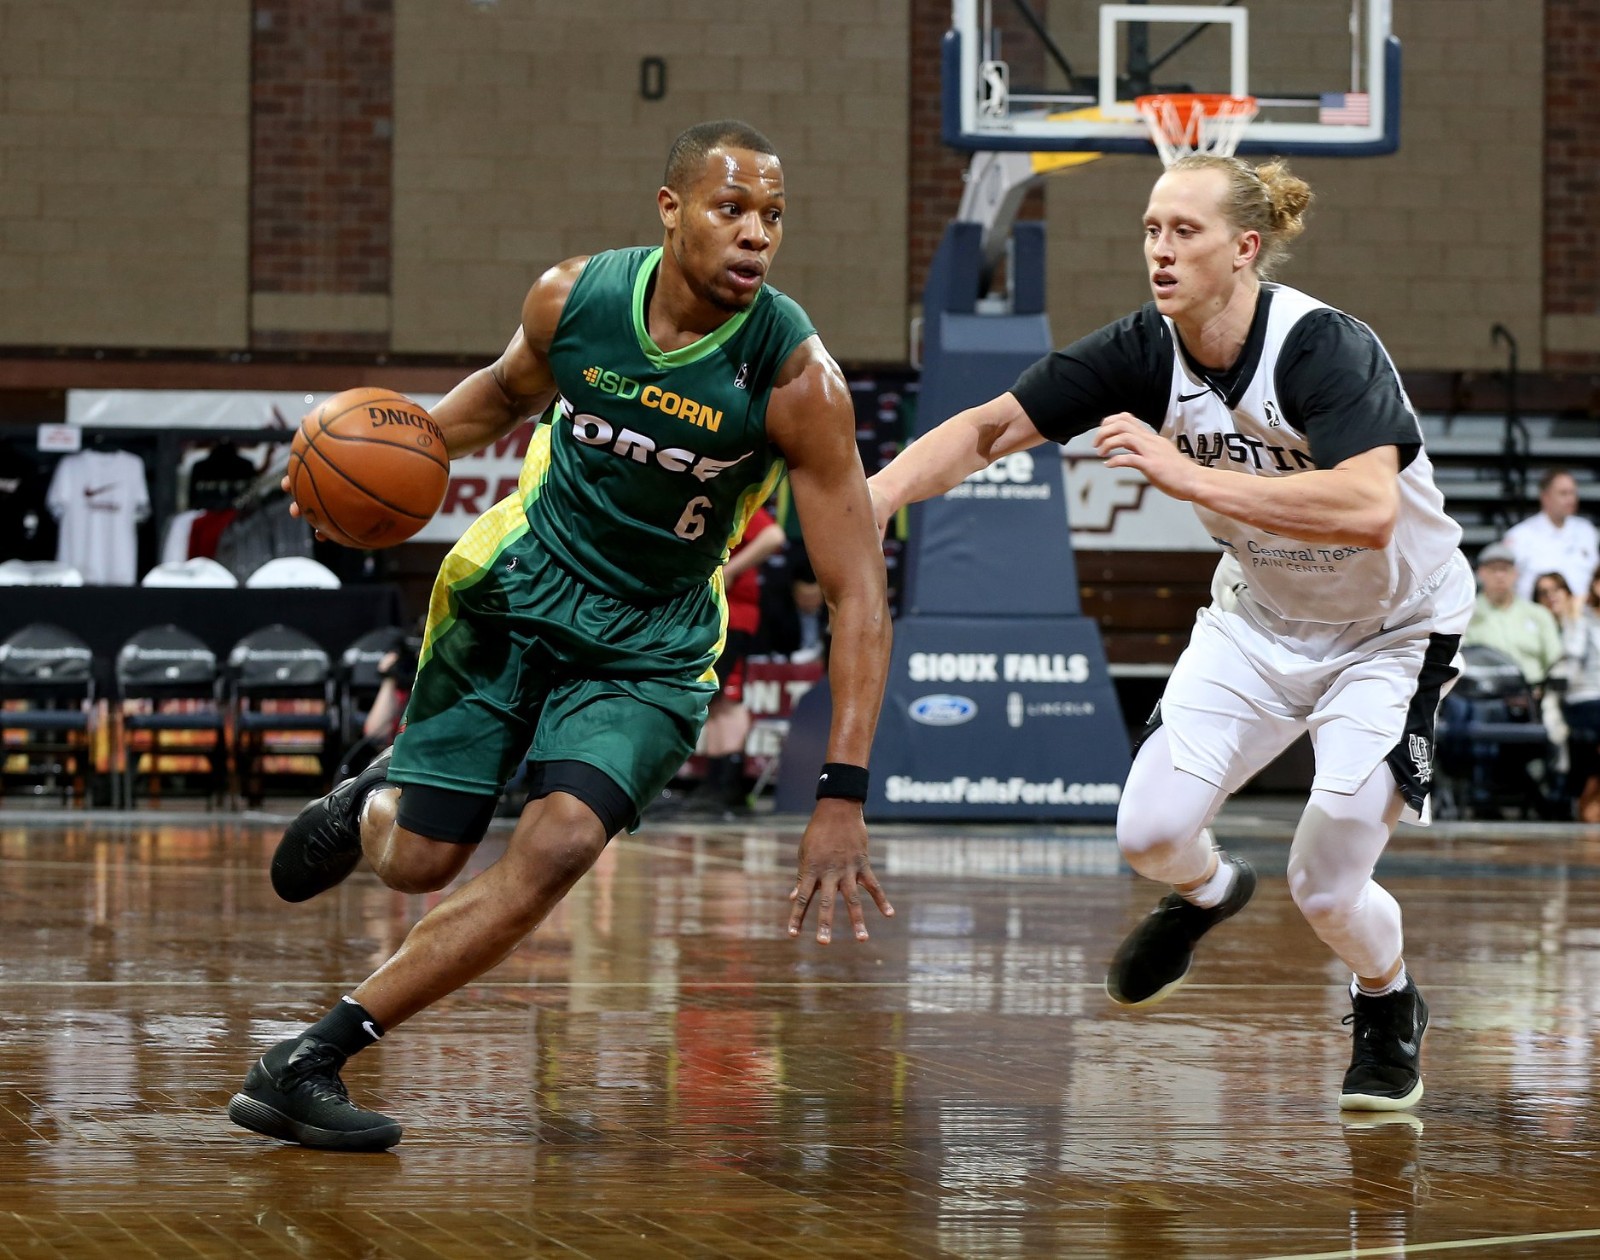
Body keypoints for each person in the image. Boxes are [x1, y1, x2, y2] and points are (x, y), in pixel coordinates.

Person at [227, 120, 893, 1152]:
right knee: (419, 864)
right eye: (731, 209)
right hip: (518, 587)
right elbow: (497, 398)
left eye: (773, 216)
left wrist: (842, 792)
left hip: (651, 642)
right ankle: (370, 804)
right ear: (670, 210)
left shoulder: (797, 381)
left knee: (563, 843)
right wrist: (354, 465)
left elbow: (858, 596)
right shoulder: (573, 299)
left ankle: (307, 1059)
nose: (756, 234)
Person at [868, 154, 1473, 1112]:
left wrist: (1188, 475)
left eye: (1184, 231)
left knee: (1326, 888)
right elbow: (989, 430)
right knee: (1147, 833)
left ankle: (1387, 999)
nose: (1160, 249)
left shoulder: (1322, 346)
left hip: (1391, 634)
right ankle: (1209, 891)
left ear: (1244, 248)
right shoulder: (1142, 351)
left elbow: (1367, 508)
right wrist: (872, 498)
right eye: (1152, 229)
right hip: (1259, 619)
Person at [666, 504, 786, 816]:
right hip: (710, 613)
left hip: (731, 614)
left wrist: (730, 571)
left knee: (726, 696)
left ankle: (726, 785)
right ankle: (715, 784)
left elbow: (773, 536)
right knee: (718, 697)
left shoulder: (733, 499)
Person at [1533, 572, 1600, 821]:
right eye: (1544, 592)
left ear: (1568, 593)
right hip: (1565, 695)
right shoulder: (1538, 622)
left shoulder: (1583, 617)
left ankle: (1584, 797)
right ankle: (1582, 798)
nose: (1551, 597)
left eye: (1557, 590)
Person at [1464, 544, 1562, 688]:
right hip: (1484, 691)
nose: (1499, 575)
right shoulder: (1467, 614)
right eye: (1493, 570)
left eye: (1505, 569)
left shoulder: (1538, 614)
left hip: (1533, 689)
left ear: (1515, 574)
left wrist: (1545, 690)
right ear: (1481, 573)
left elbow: (1555, 660)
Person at [1503, 469, 1598, 603]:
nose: (1571, 499)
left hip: (1582, 612)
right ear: (1545, 497)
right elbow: (1506, 583)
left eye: (1573, 493)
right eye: (1563, 493)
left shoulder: (1587, 531)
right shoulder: (1519, 536)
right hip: (1535, 612)